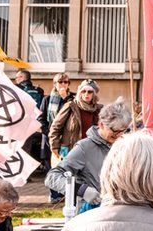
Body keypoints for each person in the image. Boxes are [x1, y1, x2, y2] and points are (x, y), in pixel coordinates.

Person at [45, 98, 132, 209]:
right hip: (91, 212)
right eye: (114, 131)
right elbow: (52, 177)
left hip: (120, 210)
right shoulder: (84, 148)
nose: (119, 135)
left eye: (123, 131)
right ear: (101, 125)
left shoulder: (125, 146)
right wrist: (81, 190)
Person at [47, 79, 101, 167]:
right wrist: (54, 146)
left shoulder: (98, 109)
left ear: (94, 94)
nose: (86, 94)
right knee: (70, 177)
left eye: (90, 92)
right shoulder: (71, 106)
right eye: (83, 91)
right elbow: (55, 127)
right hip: (71, 149)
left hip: (91, 150)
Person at [38, 73, 73, 203]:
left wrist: (65, 99)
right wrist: (49, 132)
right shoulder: (47, 100)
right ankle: (54, 194)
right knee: (51, 167)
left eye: (66, 82)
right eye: (60, 82)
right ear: (55, 84)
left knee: (66, 166)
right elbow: (41, 119)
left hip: (67, 139)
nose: (63, 85)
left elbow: (73, 114)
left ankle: (66, 193)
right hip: (51, 139)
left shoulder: (72, 99)